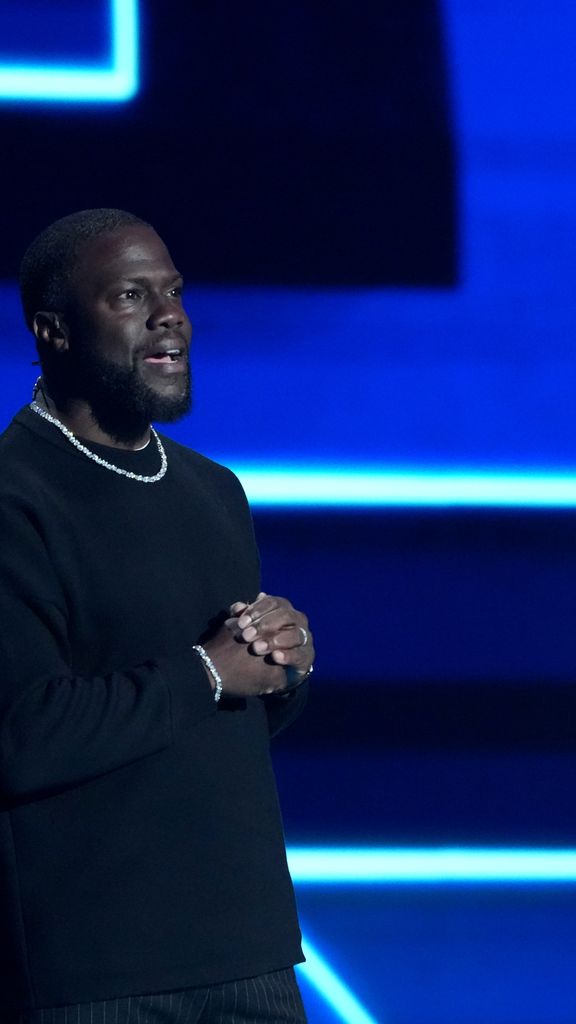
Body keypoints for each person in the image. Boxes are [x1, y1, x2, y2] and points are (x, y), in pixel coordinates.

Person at [0, 209, 316, 1021]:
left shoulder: (215, 492)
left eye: (172, 292)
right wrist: (209, 669)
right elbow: (21, 732)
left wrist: (280, 667)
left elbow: (220, 723)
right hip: (96, 975)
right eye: (131, 295)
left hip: (252, 957)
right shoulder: (14, 497)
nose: (169, 313)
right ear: (54, 331)